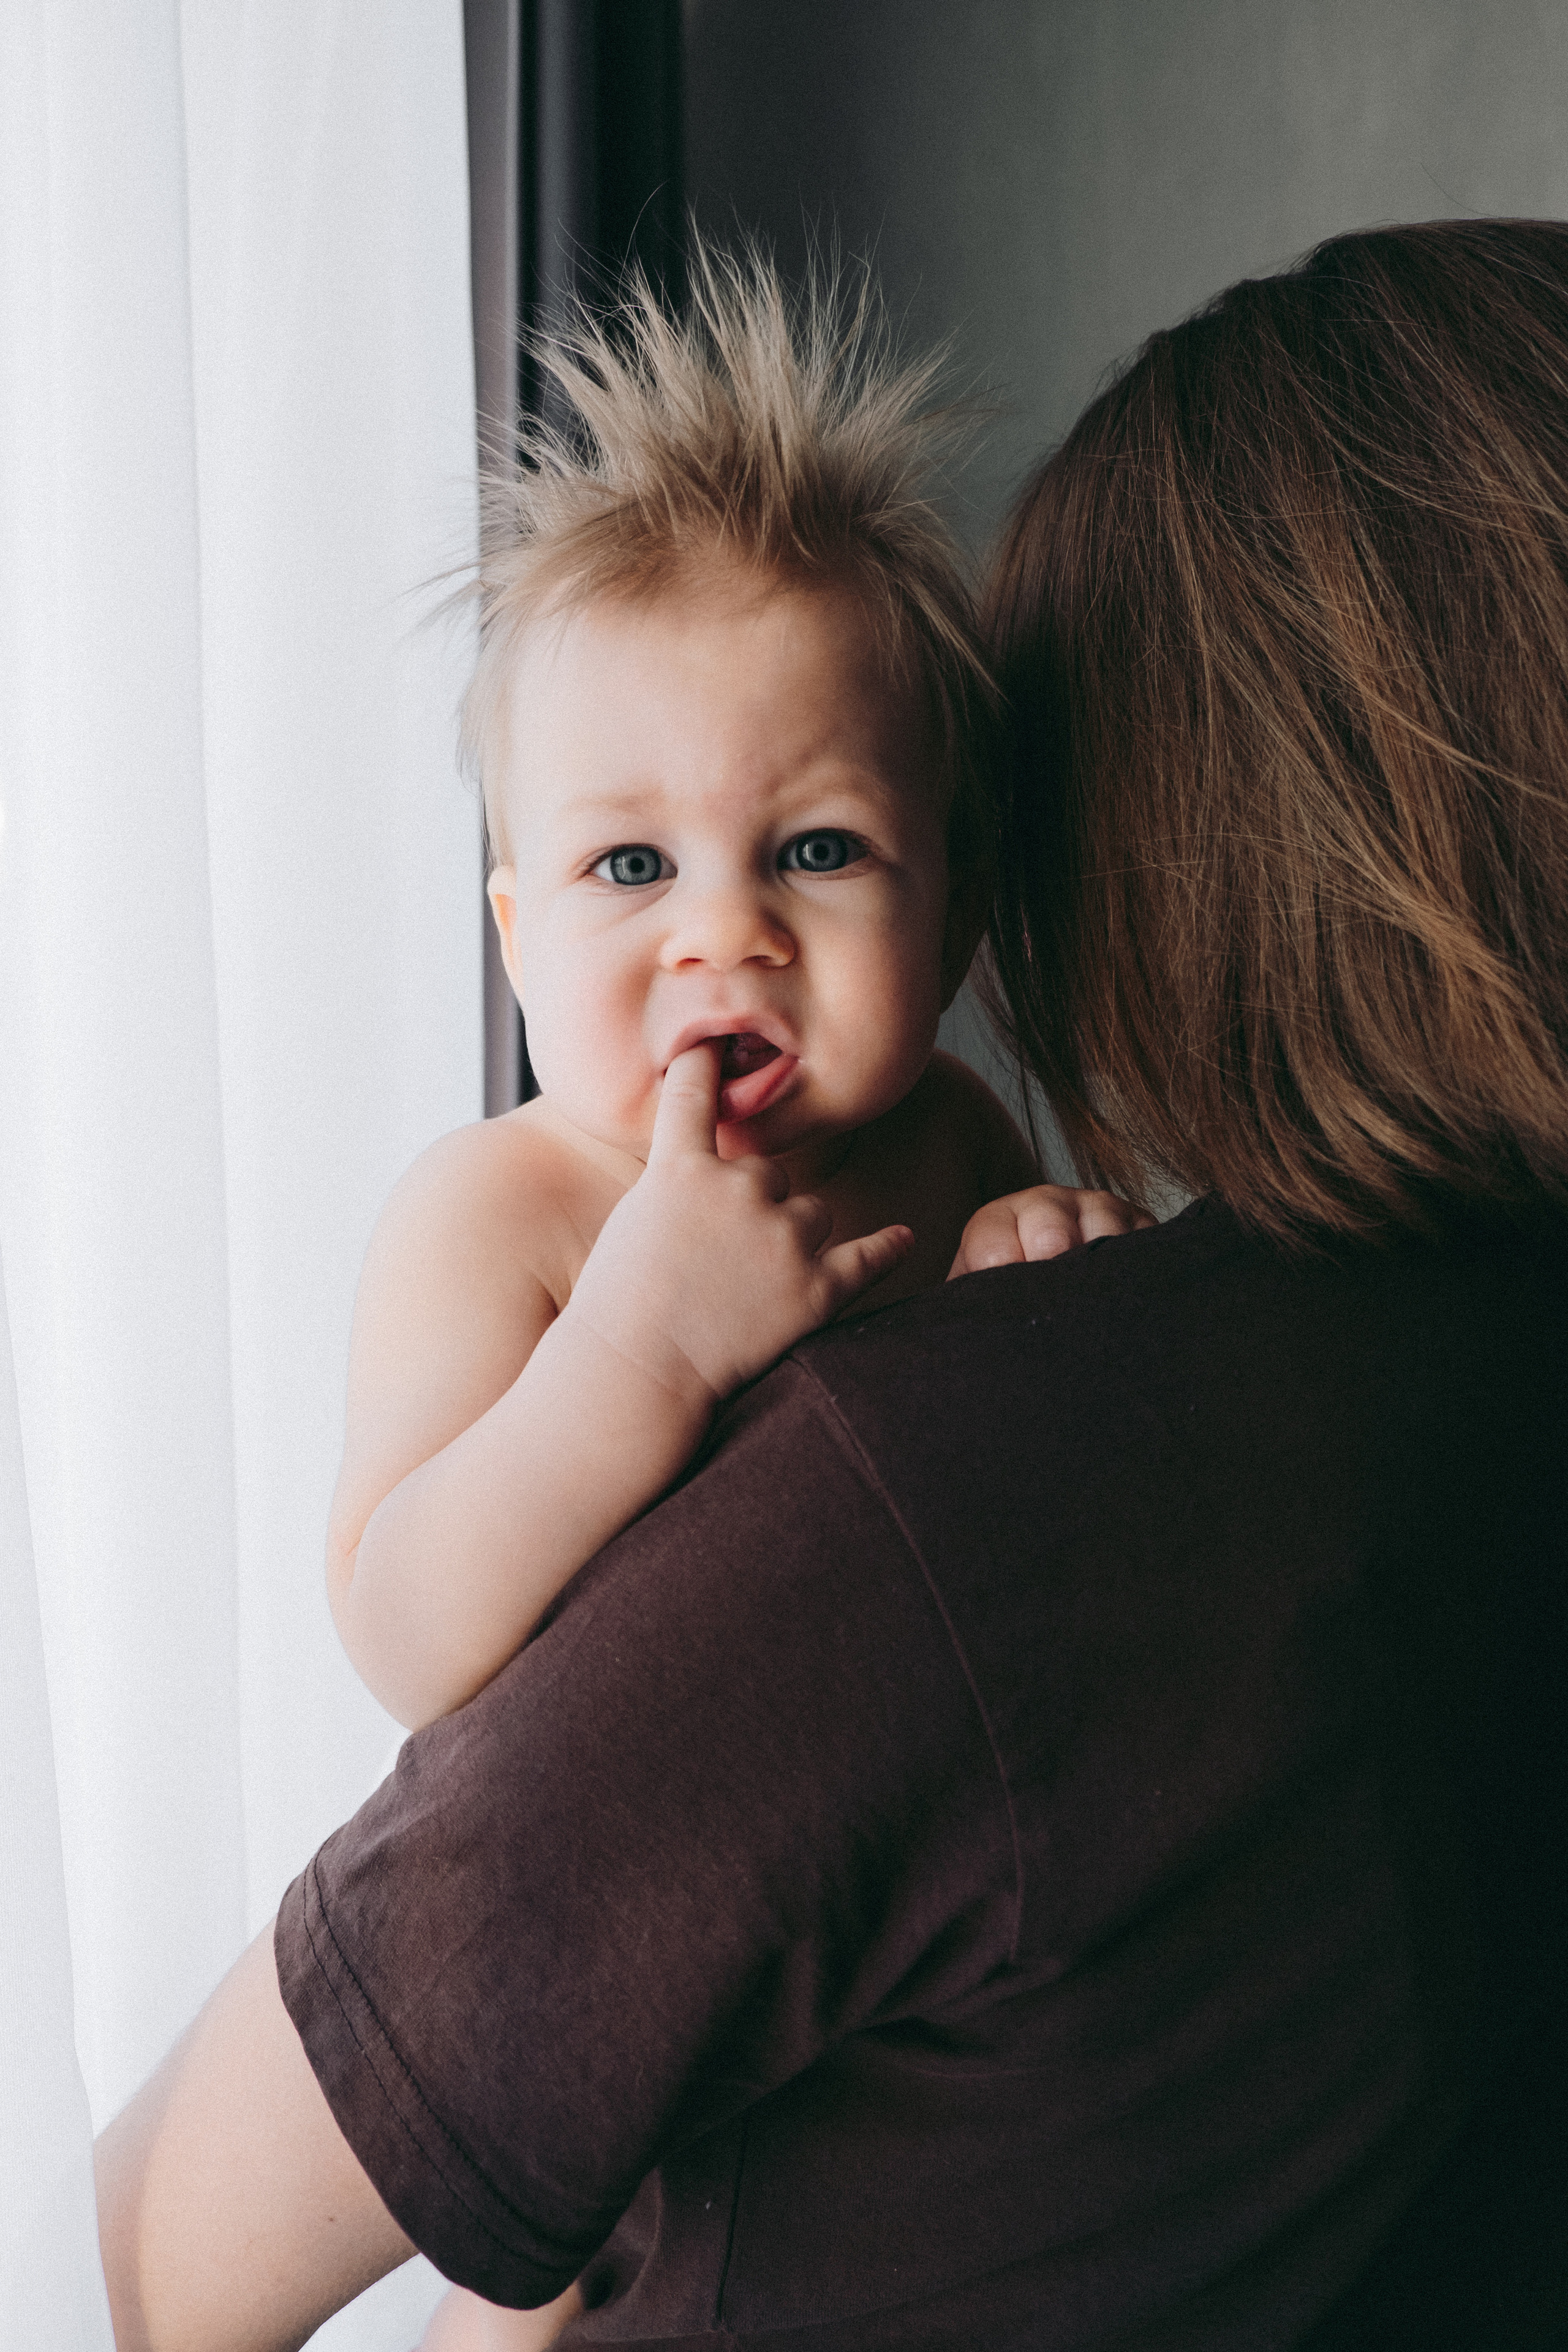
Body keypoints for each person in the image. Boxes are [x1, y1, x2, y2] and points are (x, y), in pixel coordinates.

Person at [95, 218, 1568, 2352]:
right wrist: (634, 1346)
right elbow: (411, 1625)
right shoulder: (506, 1218)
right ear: (513, 936)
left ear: (973, 902)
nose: (726, 938)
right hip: (574, 2032)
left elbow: (176, 2240)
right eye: (630, 869)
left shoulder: (969, 1206)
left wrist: (1029, 1251)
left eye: (818, 853)